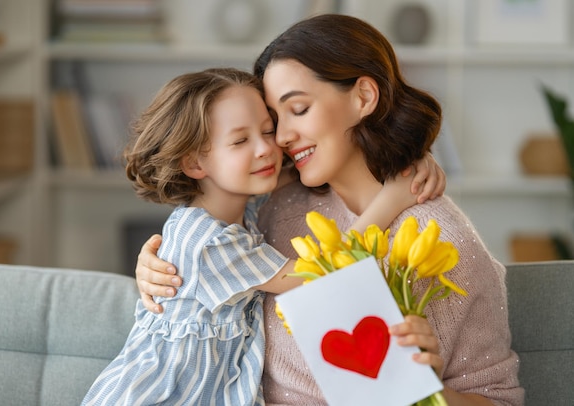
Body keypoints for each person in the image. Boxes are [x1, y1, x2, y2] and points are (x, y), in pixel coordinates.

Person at [134, 14, 524, 405]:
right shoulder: (275, 207)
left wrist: (424, 392)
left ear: (364, 98)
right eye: (274, 120)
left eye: (298, 109)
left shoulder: (439, 240)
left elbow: (499, 399)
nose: (281, 139)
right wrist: (164, 265)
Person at [82, 67, 435, 405]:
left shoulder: (238, 210)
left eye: (268, 131)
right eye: (240, 140)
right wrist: (391, 200)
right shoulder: (210, 244)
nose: (266, 148)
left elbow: (304, 170)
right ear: (194, 164)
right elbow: (318, 274)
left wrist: (415, 157)